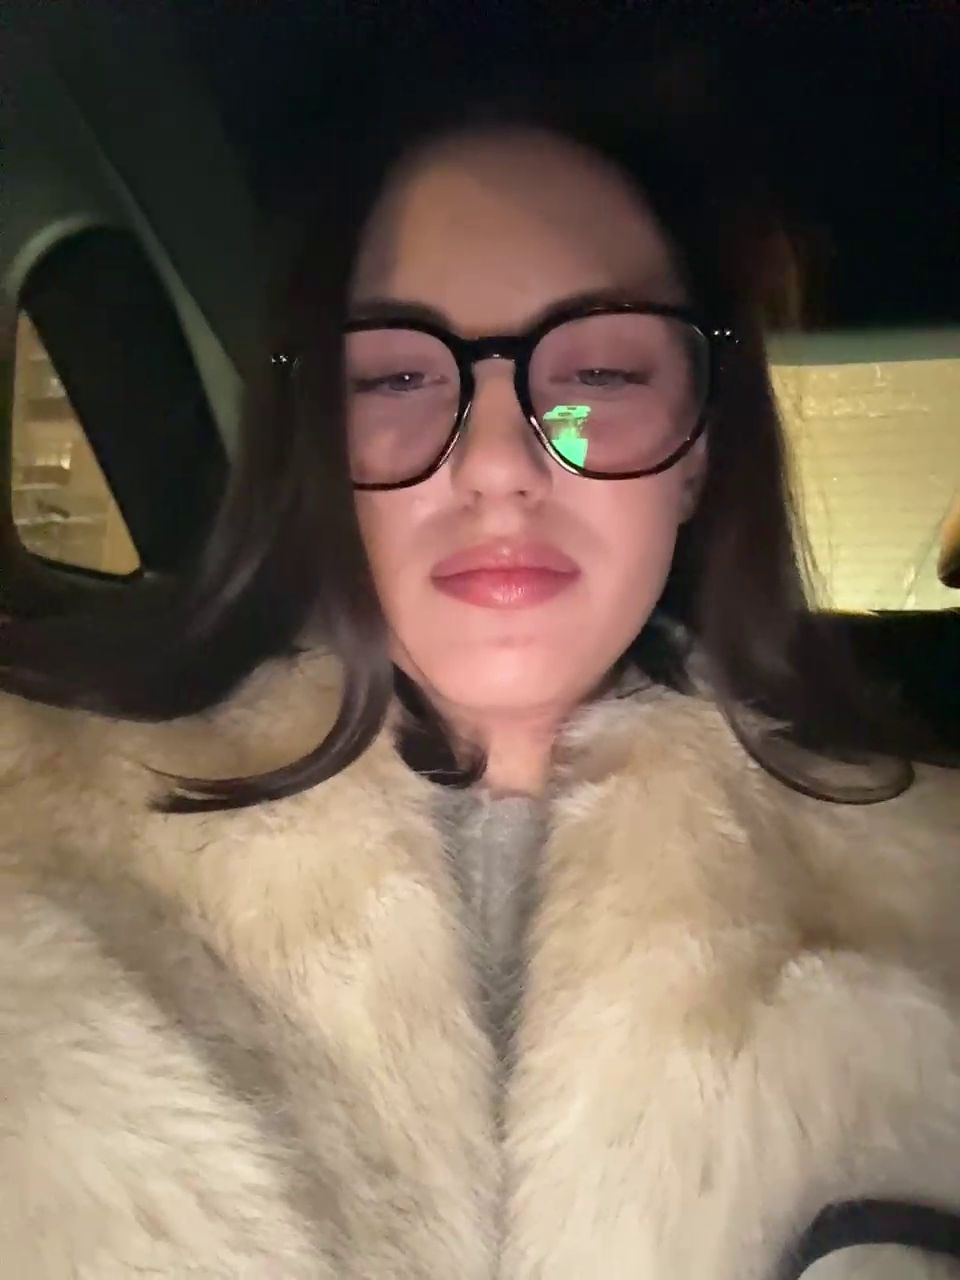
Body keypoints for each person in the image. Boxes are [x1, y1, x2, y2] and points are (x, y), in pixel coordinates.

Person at [0, 56, 959, 1280]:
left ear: (699, 451)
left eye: (600, 374)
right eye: (399, 375)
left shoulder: (935, 908)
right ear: (323, 446)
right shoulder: (33, 844)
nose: (500, 459)